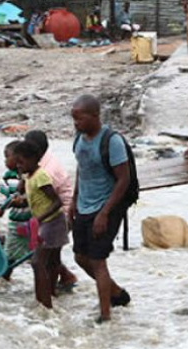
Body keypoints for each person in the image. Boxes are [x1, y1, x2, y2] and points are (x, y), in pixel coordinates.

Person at [70, 95, 130, 323]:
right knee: (80, 257)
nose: (76, 123)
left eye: (79, 118)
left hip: (106, 207)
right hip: (83, 205)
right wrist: (74, 200)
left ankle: (105, 315)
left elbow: (123, 179)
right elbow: (81, 168)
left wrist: (105, 213)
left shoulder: (111, 141)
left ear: (95, 116)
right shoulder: (79, 139)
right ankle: (115, 292)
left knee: (98, 260)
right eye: (73, 119)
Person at [14, 141, 69, 308]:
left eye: (21, 162)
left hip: (52, 223)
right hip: (46, 222)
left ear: (34, 160)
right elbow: (35, 199)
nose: (18, 166)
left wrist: (39, 218)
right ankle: (48, 298)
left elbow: (56, 202)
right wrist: (21, 203)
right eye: (17, 162)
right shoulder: (29, 177)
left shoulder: (41, 177)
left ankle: (45, 305)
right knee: (51, 262)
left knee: (38, 262)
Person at [25, 130, 78, 291]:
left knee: (44, 258)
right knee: (51, 255)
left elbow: (53, 201)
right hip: (52, 214)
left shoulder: (47, 172)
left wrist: (37, 220)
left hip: (60, 216)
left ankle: (49, 292)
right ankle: (60, 282)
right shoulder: (42, 162)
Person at [0, 141, 33, 273]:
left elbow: (21, 200)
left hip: (22, 222)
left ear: (18, 158)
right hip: (23, 222)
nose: (5, 161)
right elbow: (13, 197)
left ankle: (4, 276)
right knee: (32, 253)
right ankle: (64, 276)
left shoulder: (25, 176)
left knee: (9, 255)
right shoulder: (15, 176)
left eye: (7, 157)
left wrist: (4, 208)